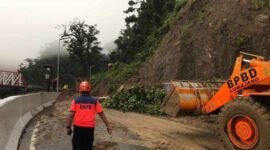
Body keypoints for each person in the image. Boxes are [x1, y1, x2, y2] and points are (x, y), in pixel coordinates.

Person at [66, 81, 112, 150]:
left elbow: (71, 115)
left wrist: (68, 127)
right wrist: (108, 125)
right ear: (89, 89)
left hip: (78, 128)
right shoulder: (94, 101)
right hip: (89, 129)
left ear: (80, 89)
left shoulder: (75, 100)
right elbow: (101, 114)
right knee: (88, 146)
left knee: (77, 146)